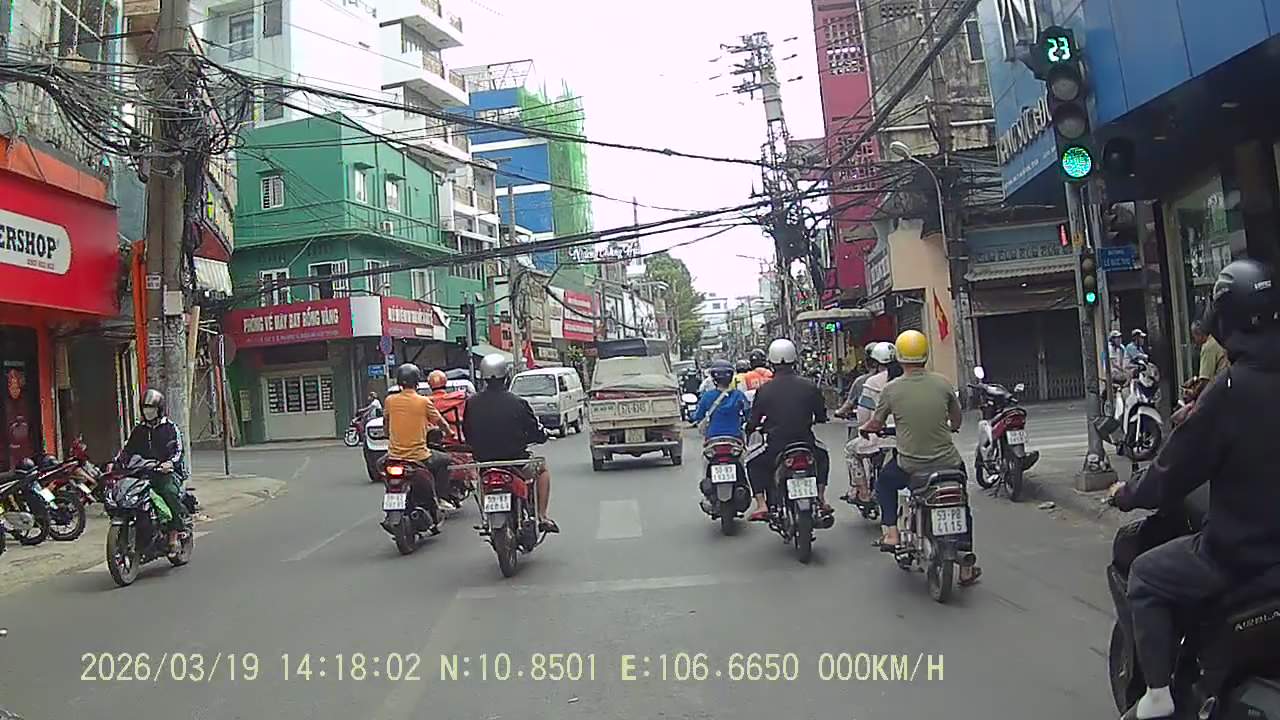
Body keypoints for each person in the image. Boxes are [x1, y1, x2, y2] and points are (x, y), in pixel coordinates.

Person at [1108, 259, 1280, 720]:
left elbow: (1169, 474)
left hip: (1243, 557)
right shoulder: (1227, 388)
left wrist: (1127, 493)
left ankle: (1158, 696)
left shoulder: (1231, 389)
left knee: (1146, 573)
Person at [859, 330, 981, 585]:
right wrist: (951, 426)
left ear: (899, 358)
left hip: (911, 465)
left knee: (884, 483)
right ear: (926, 355)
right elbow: (957, 419)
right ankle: (967, 566)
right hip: (949, 463)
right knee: (962, 504)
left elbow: (876, 422)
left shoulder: (891, 389)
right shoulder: (943, 383)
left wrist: (867, 429)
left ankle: (892, 533)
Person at [463, 353, 559, 533]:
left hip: (486, 463)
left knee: (481, 480)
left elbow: (467, 432)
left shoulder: (471, 403)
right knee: (542, 469)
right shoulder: (518, 403)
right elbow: (534, 431)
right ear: (506, 376)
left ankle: (486, 519)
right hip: (516, 462)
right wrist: (542, 436)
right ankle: (542, 516)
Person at [744, 338, 833, 522]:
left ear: (771, 362)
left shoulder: (764, 390)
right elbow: (821, 415)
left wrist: (751, 428)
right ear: (794, 360)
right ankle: (821, 498)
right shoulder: (810, 386)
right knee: (823, 456)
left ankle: (761, 504)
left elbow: (754, 419)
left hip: (776, 445)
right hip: (805, 442)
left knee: (753, 463)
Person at [384, 363, 455, 528]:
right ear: (417, 382)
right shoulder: (423, 401)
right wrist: (450, 433)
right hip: (419, 456)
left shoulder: (390, 401)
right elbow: (440, 422)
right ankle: (441, 497)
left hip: (394, 457)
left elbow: (386, 425)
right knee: (446, 460)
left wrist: (389, 434)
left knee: (382, 465)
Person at [117, 389, 187, 553]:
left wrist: (170, 463)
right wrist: (116, 463)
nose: (148, 411)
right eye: (145, 407)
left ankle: (174, 532)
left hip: (166, 474)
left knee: (169, 492)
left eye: (151, 408)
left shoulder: (170, 428)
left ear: (159, 409)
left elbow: (179, 451)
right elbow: (127, 450)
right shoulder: (138, 430)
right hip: (143, 472)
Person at [835, 341, 895, 505]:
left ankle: (863, 492)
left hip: (881, 436)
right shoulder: (909, 380)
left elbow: (864, 418)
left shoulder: (869, 382)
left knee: (850, 449)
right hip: (909, 438)